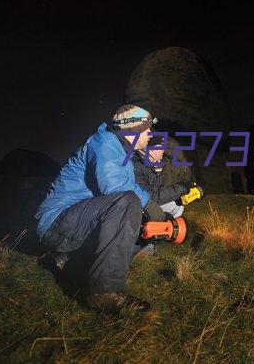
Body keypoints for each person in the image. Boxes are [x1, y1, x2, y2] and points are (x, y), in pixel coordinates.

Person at [35, 104, 167, 312]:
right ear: (133, 130)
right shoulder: (104, 142)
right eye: (148, 129)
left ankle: (75, 266)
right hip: (58, 221)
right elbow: (114, 187)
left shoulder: (123, 153)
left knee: (143, 228)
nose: (151, 134)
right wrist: (149, 204)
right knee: (128, 203)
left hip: (80, 220)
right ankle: (104, 292)